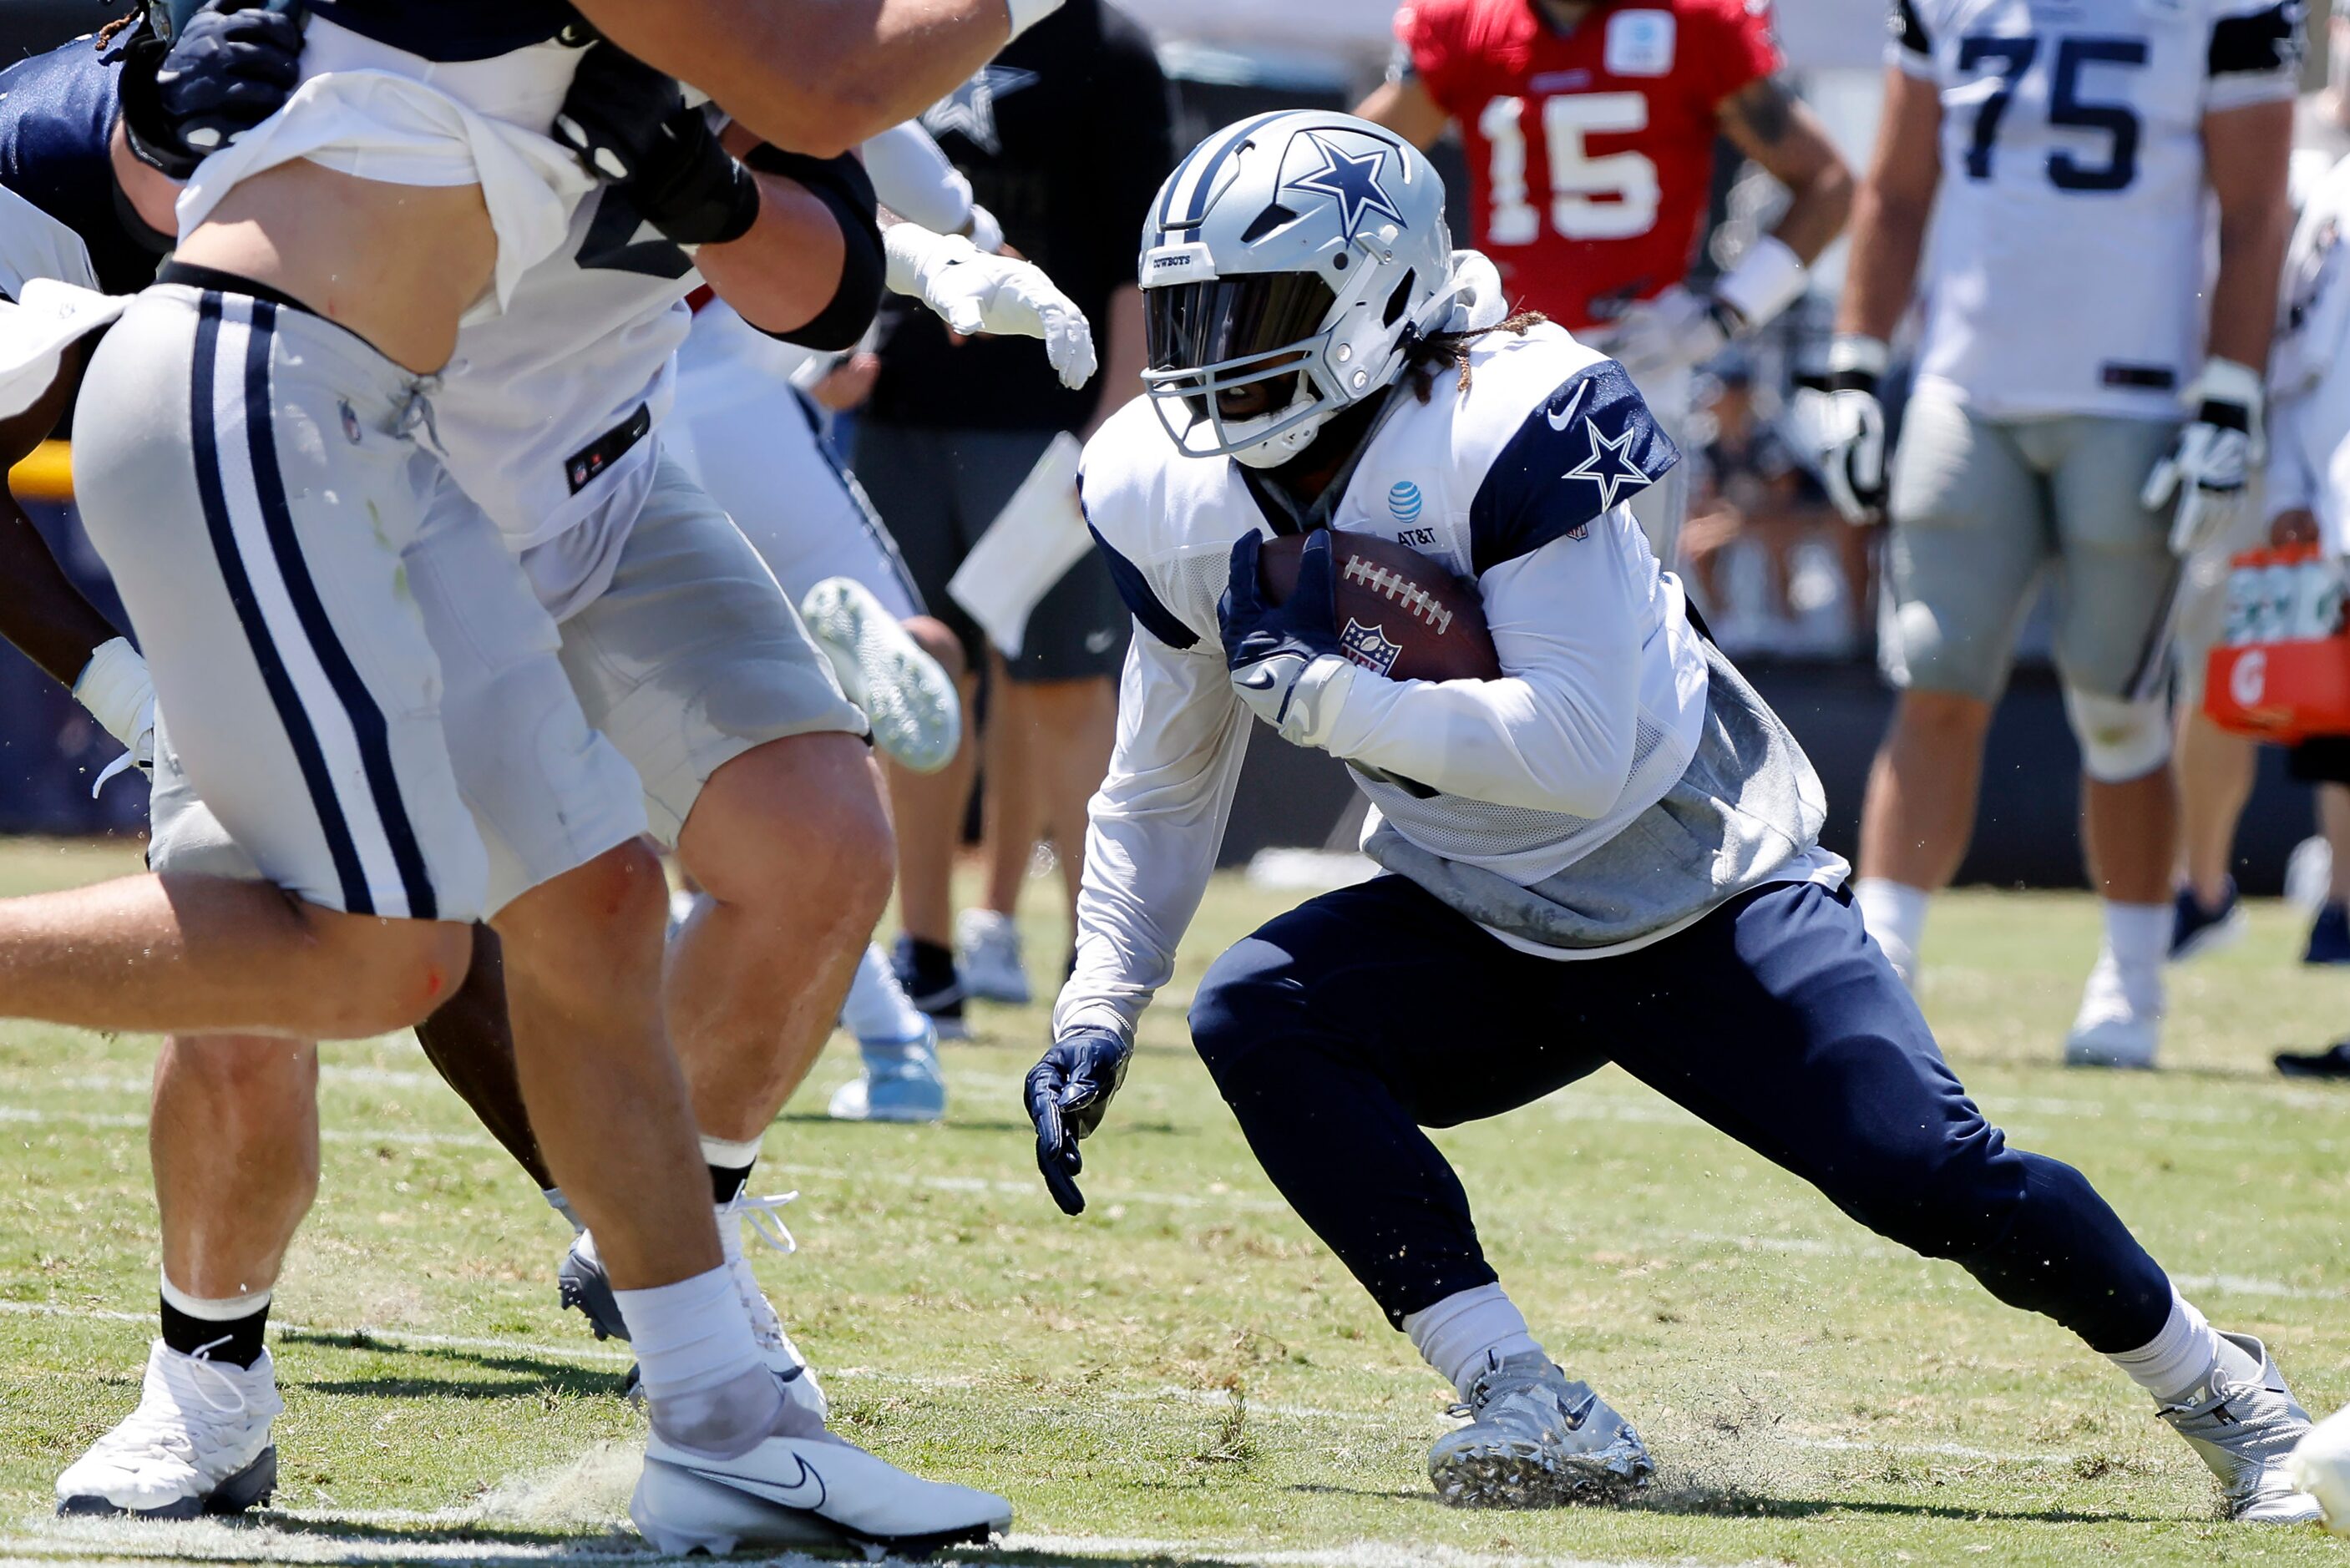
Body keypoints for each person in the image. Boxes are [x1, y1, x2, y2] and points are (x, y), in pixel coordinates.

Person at [1022, 109, 2320, 1522]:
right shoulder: (1166, 487)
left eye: (1254, 308)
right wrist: (1098, 1001)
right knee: (1257, 1010)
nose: (1212, 353)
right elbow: (1161, 773)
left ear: (1376, 293)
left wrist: (1329, 701)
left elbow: (1576, 749)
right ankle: (1522, 1391)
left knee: (1926, 1169)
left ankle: (2227, 1394)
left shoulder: (1500, 414)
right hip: (1475, 906)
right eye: (1195, 311)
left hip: (1693, 880)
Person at [0, 0, 1069, 1548]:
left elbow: (826, 196)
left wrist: (777, 212)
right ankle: (208, 1376)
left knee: (599, 901)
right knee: (364, 967)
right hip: (277, 406)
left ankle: (720, 1415)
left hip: (483, 458)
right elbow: (837, 75)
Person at [1815, 0, 2297, 1069]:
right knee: (1934, 679)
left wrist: (2228, 390)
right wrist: (1853, 361)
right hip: (1965, 387)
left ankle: (2131, 981)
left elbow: (2255, 210)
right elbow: (1896, 190)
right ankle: (1884, 961)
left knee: (2118, 705)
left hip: (2135, 396)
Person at [666, 115, 1095, 1119]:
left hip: (600, 382)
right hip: (732, 365)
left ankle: (879, 1036)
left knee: (637, 773)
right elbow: (861, 111)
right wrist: (962, 243)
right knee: (903, 653)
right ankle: (898, 1047)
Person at [852, 0, 1176, 1035]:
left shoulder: (1109, 48)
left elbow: (1139, 259)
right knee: (915, 678)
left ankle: (1097, 969)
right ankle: (929, 956)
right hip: (900, 410)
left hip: (1047, 420)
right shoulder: (891, 19)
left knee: (1064, 692)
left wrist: (1117, 415)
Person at [1357, 0, 1851, 566]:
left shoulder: (1696, 21)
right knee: (1477, 605)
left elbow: (1830, 186)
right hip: (1499, 362)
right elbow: (1352, 173)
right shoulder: (1470, 23)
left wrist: (1725, 314)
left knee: (1630, 610)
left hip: (1634, 365)